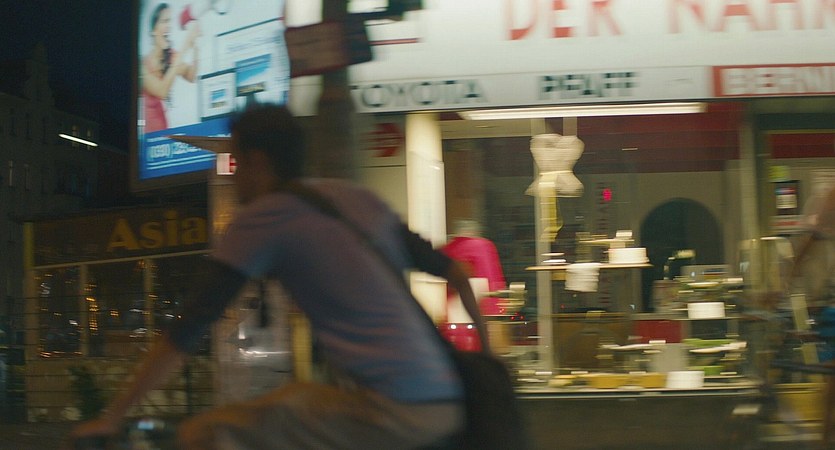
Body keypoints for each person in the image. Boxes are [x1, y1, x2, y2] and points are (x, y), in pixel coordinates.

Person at [68, 103, 488, 449]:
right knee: (296, 404)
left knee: (209, 433)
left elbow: (189, 328)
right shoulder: (359, 199)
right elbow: (456, 273)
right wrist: (486, 355)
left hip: (392, 410)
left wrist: (112, 417)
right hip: (449, 401)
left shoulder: (265, 216)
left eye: (236, 161)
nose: (233, 176)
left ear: (257, 162)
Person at [141, 2, 201, 133]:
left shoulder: (171, 57)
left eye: (170, 21)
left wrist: (195, 47)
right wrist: (186, 44)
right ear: (153, 30)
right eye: (164, 21)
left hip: (164, 133)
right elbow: (161, 91)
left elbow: (191, 76)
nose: (169, 26)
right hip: (146, 138)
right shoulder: (142, 65)